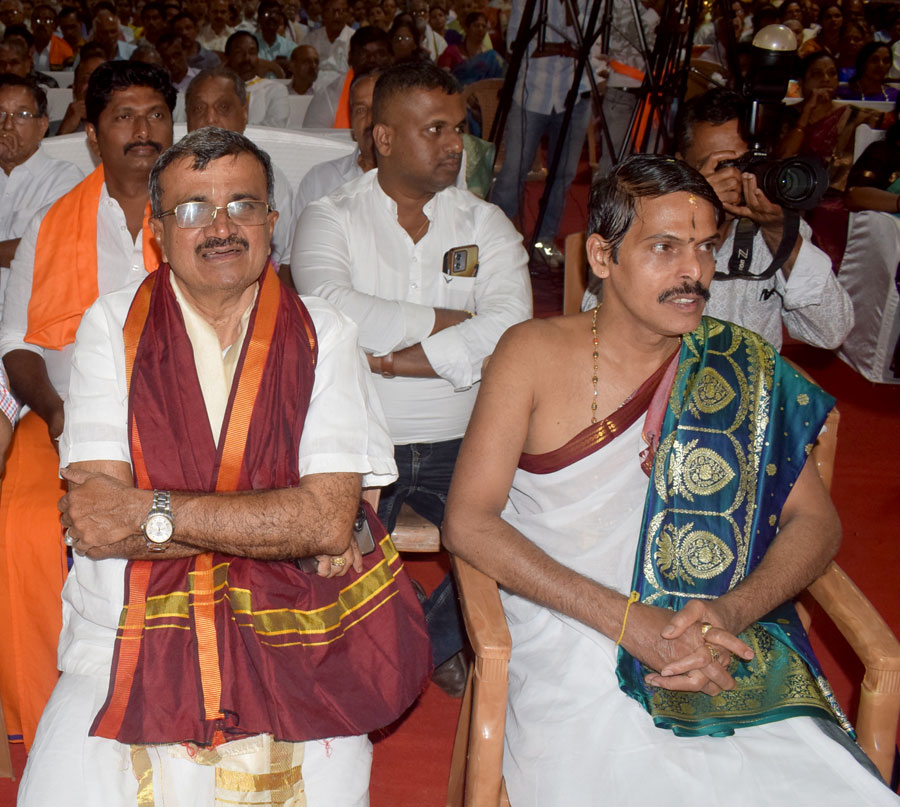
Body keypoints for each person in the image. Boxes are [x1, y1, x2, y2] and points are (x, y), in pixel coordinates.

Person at [442, 153, 900, 807]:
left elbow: (817, 523)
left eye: (705, 247)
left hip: (717, 628)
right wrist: (629, 623)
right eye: (664, 248)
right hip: (571, 626)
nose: (694, 272)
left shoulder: (739, 365)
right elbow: (468, 520)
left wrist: (729, 613)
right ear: (602, 256)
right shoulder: (531, 354)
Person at [18, 125, 430, 807]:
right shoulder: (111, 326)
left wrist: (149, 511)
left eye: (243, 205)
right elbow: (96, 524)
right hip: (126, 627)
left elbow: (327, 522)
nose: (220, 227)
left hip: (294, 627)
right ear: (157, 231)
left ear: (272, 221)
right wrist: (276, 521)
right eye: (192, 209)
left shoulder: (323, 332)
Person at [292, 61, 532, 695]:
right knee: (317, 558)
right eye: (435, 130)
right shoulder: (331, 217)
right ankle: (405, 648)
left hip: (467, 439)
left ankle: (414, 644)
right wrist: (452, 321)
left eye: (458, 128)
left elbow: (512, 329)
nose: (455, 144)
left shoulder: (485, 223)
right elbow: (331, 309)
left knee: (530, 535)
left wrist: (394, 360)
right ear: (384, 137)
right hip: (359, 441)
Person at [0, 60, 175, 751]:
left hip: (183, 419)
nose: (143, 130)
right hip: (66, 416)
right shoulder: (53, 223)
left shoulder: (201, 214)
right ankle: (52, 714)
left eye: (155, 114)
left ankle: (171, 696)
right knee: (23, 526)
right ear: (94, 136)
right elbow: (17, 345)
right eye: (124, 117)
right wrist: (53, 410)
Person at [584, 88, 854, 352]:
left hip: (749, 380)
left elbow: (831, 331)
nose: (733, 178)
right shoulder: (647, 222)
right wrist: (693, 208)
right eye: (719, 166)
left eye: (743, 164)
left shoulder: (773, 230)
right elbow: (597, 321)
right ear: (681, 164)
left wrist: (781, 235)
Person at [489, 0, 592, 268]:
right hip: (531, 93)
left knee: (563, 174)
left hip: (576, 94)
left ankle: (543, 241)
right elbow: (517, 44)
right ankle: (495, 242)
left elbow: (591, 44)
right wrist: (566, 48)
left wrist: (561, 40)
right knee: (514, 171)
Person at [777, 51, 882, 268]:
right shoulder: (786, 115)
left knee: (828, 211)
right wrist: (806, 115)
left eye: (832, 73)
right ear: (801, 82)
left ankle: (829, 274)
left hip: (835, 193)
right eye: (817, 74)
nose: (826, 79)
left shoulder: (854, 117)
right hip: (792, 190)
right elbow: (783, 157)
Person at [185, 66, 295, 269]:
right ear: (187, 116)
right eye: (199, 109)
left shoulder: (268, 178)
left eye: (223, 108)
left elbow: (284, 258)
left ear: (244, 113)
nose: (210, 119)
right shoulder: (172, 176)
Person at [0, 75, 83, 270]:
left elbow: (48, 246)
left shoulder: (64, 178)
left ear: (42, 126)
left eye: (22, 115)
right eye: (0, 114)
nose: (7, 125)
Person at [294, 67, 377, 218]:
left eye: (378, 107)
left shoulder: (416, 180)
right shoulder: (320, 181)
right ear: (352, 123)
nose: (370, 118)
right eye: (361, 110)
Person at [303, 24, 391, 127]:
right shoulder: (329, 96)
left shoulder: (402, 92)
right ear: (350, 58)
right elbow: (313, 135)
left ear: (391, 58)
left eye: (380, 54)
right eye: (363, 53)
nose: (372, 59)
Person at [224, 30, 290, 126]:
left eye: (252, 52)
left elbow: (276, 126)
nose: (247, 58)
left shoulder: (275, 90)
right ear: (227, 58)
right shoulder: (217, 91)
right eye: (239, 52)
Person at [437, 10, 504, 85]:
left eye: (484, 26)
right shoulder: (451, 52)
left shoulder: (491, 57)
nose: (480, 29)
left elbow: (500, 81)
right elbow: (442, 79)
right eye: (476, 25)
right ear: (467, 29)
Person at [303, 0, 354, 74]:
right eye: (331, 11)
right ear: (323, 14)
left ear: (348, 14)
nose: (336, 16)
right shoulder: (310, 40)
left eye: (341, 11)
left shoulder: (356, 40)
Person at [30, 2, 74, 71]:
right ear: (31, 24)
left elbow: (68, 76)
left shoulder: (64, 50)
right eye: (37, 20)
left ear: (54, 25)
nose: (42, 24)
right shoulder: (25, 47)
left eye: (47, 21)